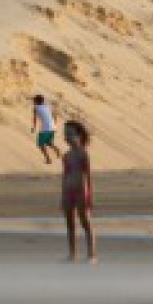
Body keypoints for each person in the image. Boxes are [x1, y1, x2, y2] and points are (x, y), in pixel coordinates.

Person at [60, 120, 96, 263]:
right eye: (65, 134)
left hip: (81, 191)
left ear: (79, 135)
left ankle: (91, 254)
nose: (67, 137)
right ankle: (72, 253)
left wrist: (89, 195)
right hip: (68, 191)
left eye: (70, 134)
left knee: (85, 222)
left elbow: (88, 175)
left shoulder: (83, 153)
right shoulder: (66, 155)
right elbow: (65, 175)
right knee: (70, 223)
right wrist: (62, 195)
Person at [32, 94, 58, 164]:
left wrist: (34, 128)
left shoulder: (36, 108)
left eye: (34, 100)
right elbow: (54, 115)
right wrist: (54, 125)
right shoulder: (47, 107)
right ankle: (57, 151)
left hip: (45, 128)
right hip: (53, 127)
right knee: (48, 142)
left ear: (36, 101)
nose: (33, 102)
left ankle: (48, 159)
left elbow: (35, 119)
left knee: (40, 144)